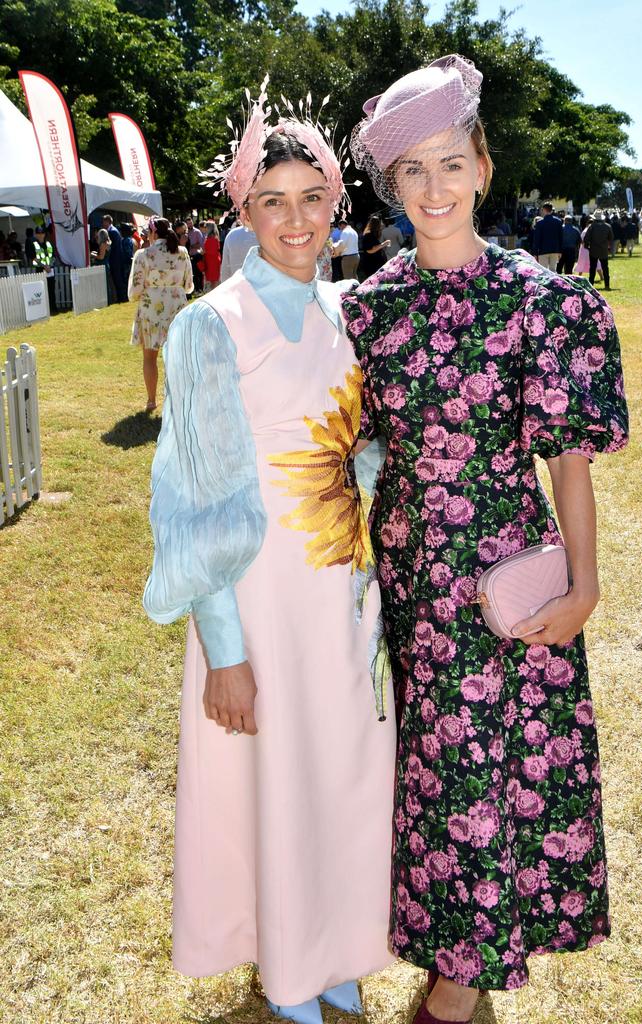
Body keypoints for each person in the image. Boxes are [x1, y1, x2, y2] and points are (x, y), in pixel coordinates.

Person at [342, 54, 629, 1024]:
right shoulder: (368, 313)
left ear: (484, 167)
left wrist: (584, 586)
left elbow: (569, 461)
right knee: (448, 796)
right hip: (411, 598)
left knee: (484, 785)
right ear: (391, 185)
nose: (434, 187)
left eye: (451, 163)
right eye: (411, 170)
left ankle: (454, 992)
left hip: (507, 596)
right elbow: (342, 457)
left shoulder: (539, 302)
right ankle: (458, 968)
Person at [143, 83, 396, 1024]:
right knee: (273, 779)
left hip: (345, 591)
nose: (295, 220)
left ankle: (336, 947)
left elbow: (359, 443)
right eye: (272, 200)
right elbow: (197, 497)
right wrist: (226, 650)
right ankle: (284, 960)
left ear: (338, 201)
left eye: (312, 198)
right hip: (257, 600)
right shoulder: (209, 325)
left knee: (344, 772)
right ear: (243, 210)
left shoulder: (352, 311)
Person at [128, 216, 193, 412]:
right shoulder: (182, 253)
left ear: (153, 233)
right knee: (176, 357)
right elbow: (189, 286)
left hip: (151, 307)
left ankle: (151, 400)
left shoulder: (143, 255)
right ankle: (178, 399)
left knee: (150, 357)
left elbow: (134, 292)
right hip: (176, 306)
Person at [583, 211, 613, 290]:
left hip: (593, 250)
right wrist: (609, 247)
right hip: (604, 250)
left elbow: (586, 238)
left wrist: (587, 247)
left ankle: (591, 285)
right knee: (605, 268)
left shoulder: (591, 227)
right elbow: (611, 238)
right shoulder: (607, 226)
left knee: (592, 268)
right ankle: (607, 285)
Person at [357, 215, 391, 281]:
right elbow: (369, 250)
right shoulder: (368, 235)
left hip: (376, 265)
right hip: (372, 266)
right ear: (377, 224)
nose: (382, 224)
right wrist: (383, 244)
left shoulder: (373, 234)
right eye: (380, 223)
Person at [32, 225, 57, 315]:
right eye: (38, 233)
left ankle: (53, 309)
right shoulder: (34, 245)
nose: (40, 235)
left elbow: (53, 256)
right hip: (40, 271)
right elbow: (34, 259)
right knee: (41, 291)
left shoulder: (48, 244)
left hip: (50, 271)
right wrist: (44, 266)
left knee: (51, 290)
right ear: (35, 234)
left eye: (42, 233)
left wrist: (49, 266)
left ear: (44, 234)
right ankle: (43, 311)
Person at [532, 202, 563, 271]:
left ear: (543, 210)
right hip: (555, 250)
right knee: (553, 271)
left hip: (543, 251)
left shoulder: (539, 223)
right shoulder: (558, 222)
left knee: (543, 272)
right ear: (551, 210)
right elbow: (561, 237)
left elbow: (536, 239)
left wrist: (535, 253)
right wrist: (560, 251)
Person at [102, 215, 126, 302]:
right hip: (117, 259)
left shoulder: (112, 232)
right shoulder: (114, 230)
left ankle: (122, 298)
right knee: (118, 279)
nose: (102, 224)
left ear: (107, 222)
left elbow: (112, 247)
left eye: (103, 222)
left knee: (118, 279)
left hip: (115, 260)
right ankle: (121, 298)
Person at [185, 216, 205, 293]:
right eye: (188, 224)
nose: (190, 225)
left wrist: (192, 246)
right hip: (189, 255)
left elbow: (201, 244)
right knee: (192, 273)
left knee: (198, 273)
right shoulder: (186, 233)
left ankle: (200, 288)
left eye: (190, 223)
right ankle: (195, 289)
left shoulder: (197, 232)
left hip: (197, 255)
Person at [202, 219, 222, 291]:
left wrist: (204, 252)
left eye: (206, 227)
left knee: (213, 281)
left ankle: (214, 295)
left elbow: (212, 251)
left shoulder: (212, 238)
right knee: (213, 280)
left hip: (212, 261)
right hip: (212, 260)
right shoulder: (213, 237)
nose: (205, 228)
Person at [118, 223, 136, 300]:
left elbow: (128, 254)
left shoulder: (126, 240)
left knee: (126, 281)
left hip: (126, 265)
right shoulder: (129, 239)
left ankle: (127, 297)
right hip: (127, 264)